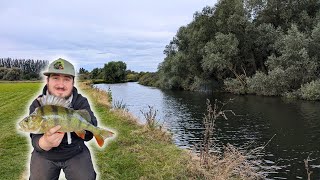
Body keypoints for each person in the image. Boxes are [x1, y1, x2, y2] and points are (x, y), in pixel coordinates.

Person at [28, 58, 97, 180]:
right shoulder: (38, 105)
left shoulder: (81, 102)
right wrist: (44, 143)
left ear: (73, 82)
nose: (61, 85)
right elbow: (34, 138)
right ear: (47, 80)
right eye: (55, 78)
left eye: (66, 79)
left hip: (75, 151)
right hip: (45, 155)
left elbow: (90, 131)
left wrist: (85, 129)